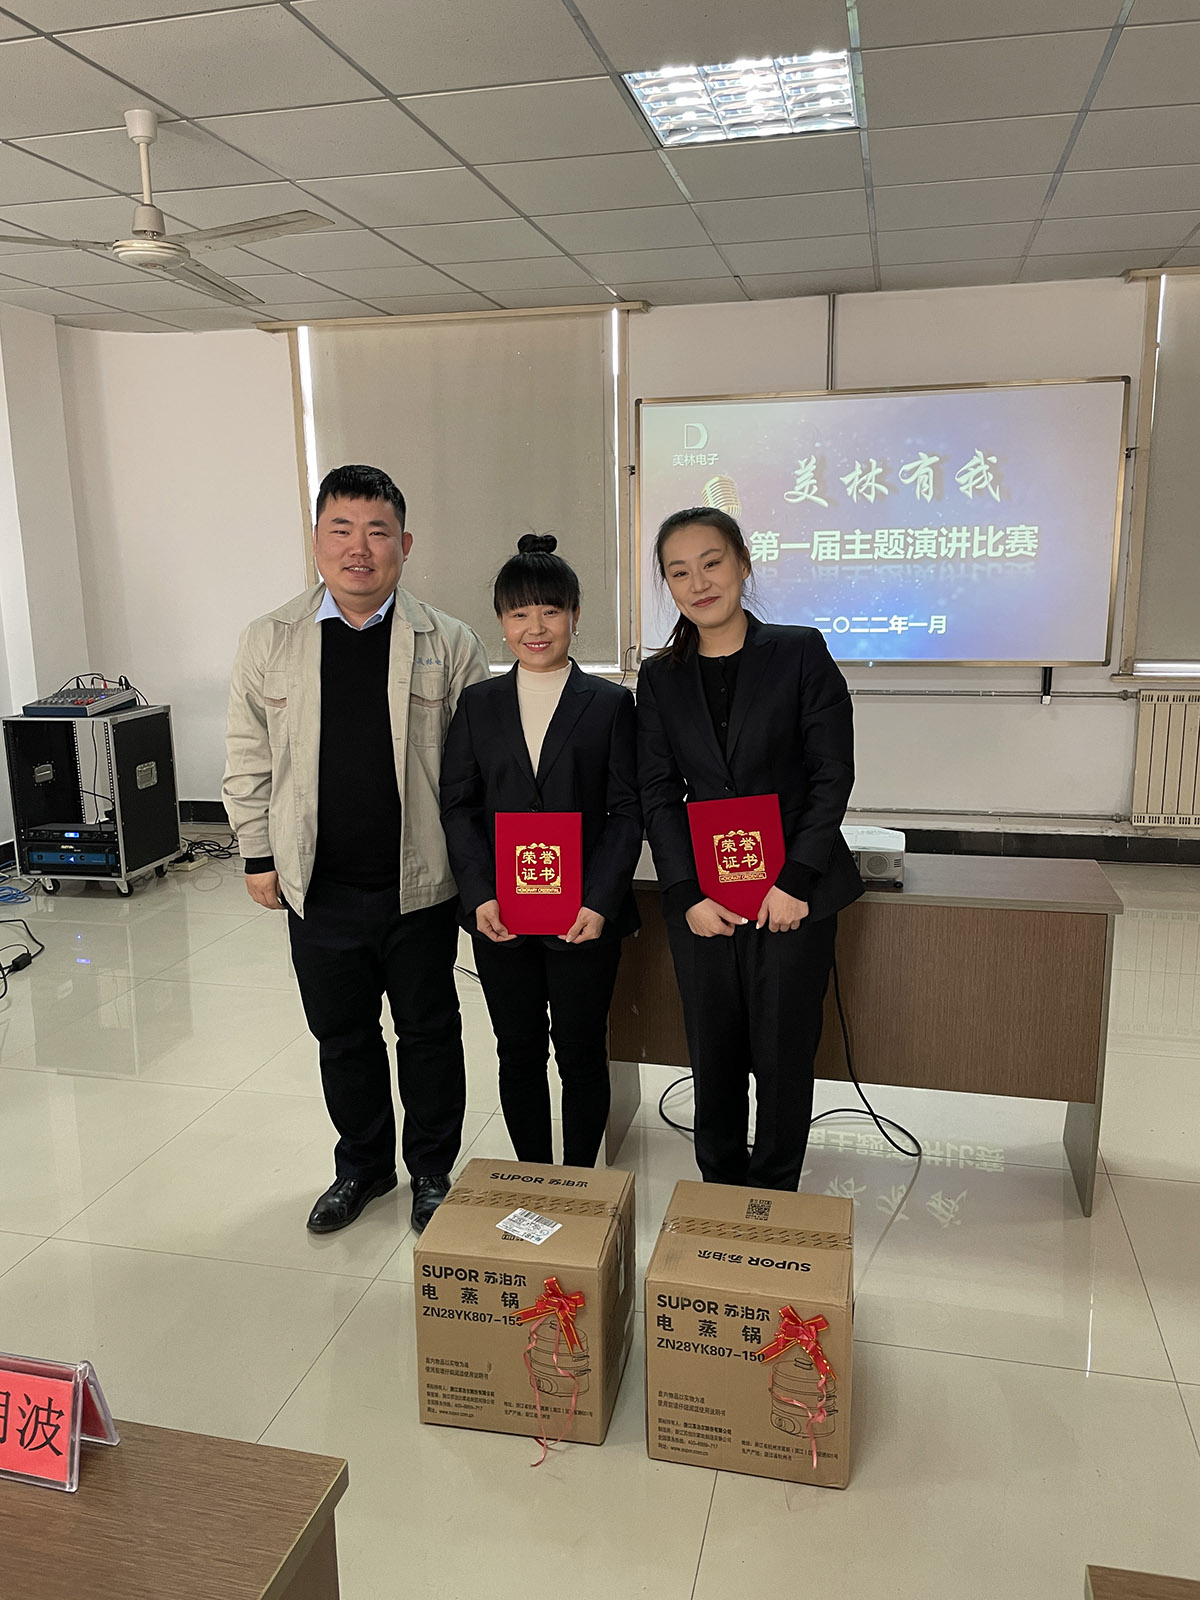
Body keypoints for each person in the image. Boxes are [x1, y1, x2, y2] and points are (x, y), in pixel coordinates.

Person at [223, 464, 490, 1236]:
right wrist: (256, 856)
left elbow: (477, 771)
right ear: (316, 541)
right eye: (340, 530)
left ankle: (432, 1170)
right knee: (342, 1039)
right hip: (319, 884)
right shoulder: (269, 639)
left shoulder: (449, 641)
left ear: (405, 543)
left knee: (429, 1033)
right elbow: (248, 754)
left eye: (377, 531)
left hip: (421, 884)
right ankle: (363, 1168)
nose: (359, 548)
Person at [636, 507, 862, 1191]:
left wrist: (795, 881)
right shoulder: (661, 676)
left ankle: (774, 1197)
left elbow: (831, 774)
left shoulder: (799, 652)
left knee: (785, 1053)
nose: (699, 583)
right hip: (707, 897)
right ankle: (720, 1193)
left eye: (711, 563)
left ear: (742, 562)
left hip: (792, 893)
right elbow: (657, 792)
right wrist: (685, 894)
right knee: (714, 1054)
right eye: (679, 572)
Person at [439, 535, 641, 1167]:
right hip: (502, 914)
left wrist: (600, 901)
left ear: (575, 615)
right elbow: (459, 805)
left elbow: (626, 811)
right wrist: (479, 895)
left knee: (581, 1052)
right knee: (517, 1050)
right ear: (501, 621)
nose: (536, 627)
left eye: (550, 611)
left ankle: (580, 1183)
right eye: (520, 612)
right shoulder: (478, 704)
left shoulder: (610, 704)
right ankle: (532, 1178)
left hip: (583, 915)